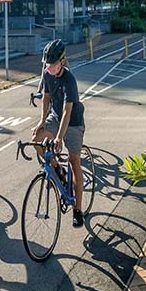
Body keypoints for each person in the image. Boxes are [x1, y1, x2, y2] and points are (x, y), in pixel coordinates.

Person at [31, 38, 87, 227]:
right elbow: (46, 98)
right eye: (47, 64)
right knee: (37, 139)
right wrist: (41, 121)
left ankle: (78, 209)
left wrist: (59, 138)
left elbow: (67, 111)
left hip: (73, 123)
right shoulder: (47, 74)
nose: (49, 67)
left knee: (74, 161)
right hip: (55, 117)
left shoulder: (69, 79)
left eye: (53, 64)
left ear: (62, 61)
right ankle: (57, 169)